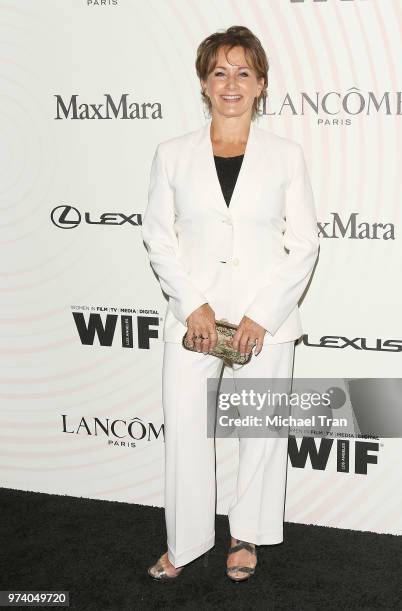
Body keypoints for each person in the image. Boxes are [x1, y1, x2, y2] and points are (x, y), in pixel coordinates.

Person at [141, 25, 319, 582]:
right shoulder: (171, 155)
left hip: (263, 321)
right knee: (188, 430)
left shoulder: (287, 156)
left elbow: (306, 243)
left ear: (262, 84)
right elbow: (157, 237)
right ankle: (185, 541)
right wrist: (190, 304)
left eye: (244, 72)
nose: (232, 82)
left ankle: (247, 535)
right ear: (204, 83)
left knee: (259, 431)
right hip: (192, 322)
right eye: (220, 71)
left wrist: (261, 315)